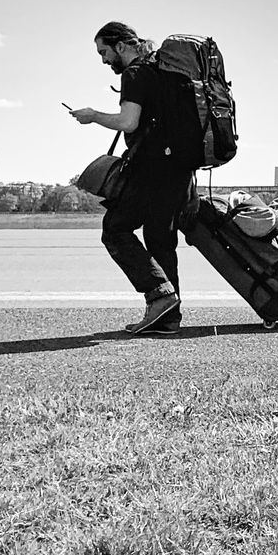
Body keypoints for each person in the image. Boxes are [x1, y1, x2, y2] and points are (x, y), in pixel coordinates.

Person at [70, 22, 193, 336]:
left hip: (152, 169)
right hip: (180, 167)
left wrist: (93, 116)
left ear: (121, 46)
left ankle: (160, 295)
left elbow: (129, 121)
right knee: (160, 240)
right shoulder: (163, 70)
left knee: (115, 228)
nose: (103, 60)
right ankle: (168, 319)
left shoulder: (136, 73)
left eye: (104, 52)